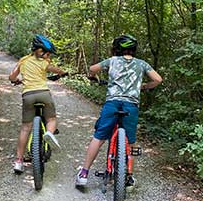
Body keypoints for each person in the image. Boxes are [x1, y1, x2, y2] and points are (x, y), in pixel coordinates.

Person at [75, 34, 162, 187]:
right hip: (131, 105)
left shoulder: (112, 61)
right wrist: (144, 86)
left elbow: (92, 69)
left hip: (112, 103)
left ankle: (84, 173)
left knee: (100, 136)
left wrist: (93, 77)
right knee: (130, 140)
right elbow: (158, 79)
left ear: (116, 49)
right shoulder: (142, 64)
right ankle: (128, 175)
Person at [9, 34, 67, 173]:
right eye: (46, 53)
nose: (47, 55)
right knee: (52, 119)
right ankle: (49, 133)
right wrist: (63, 72)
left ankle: (18, 161)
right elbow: (56, 70)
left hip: (28, 95)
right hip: (43, 93)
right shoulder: (44, 63)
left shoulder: (23, 60)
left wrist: (15, 80)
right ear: (41, 52)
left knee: (25, 128)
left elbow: (12, 76)